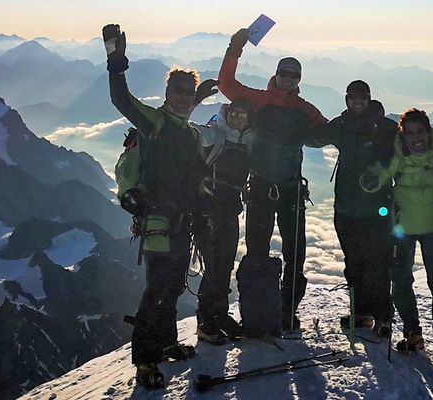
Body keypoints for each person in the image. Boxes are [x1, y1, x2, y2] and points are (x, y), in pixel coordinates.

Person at [103, 23, 213, 389]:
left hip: (183, 222)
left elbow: (195, 177)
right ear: (167, 93)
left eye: (189, 92)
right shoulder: (155, 123)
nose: (184, 97)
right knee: (157, 288)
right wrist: (116, 62)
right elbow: (122, 101)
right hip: (157, 220)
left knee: (175, 285)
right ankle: (145, 360)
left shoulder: (192, 132)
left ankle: (165, 342)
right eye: (178, 91)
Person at [217, 28, 326, 333]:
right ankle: (257, 312)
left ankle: (285, 313)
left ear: (298, 80)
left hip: (287, 190)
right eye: (284, 73)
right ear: (276, 75)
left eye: (293, 75)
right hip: (263, 189)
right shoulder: (260, 100)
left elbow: (330, 133)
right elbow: (227, 85)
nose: (288, 78)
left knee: (294, 254)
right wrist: (234, 48)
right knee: (257, 253)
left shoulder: (305, 110)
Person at [303, 80, 396, 338]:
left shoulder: (385, 128)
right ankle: (362, 314)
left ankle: (383, 316)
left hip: (376, 210)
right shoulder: (341, 126)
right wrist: (290, 122)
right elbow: (314, 138)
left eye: (362, 97)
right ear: (347, 99)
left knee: (377, 265)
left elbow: (406, 153)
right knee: (354, 264)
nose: (358, 102)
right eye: (353, 97)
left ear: (369, 99)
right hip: (345, 209)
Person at [361, 108, 433, 365]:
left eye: (420, 131)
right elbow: (383, 172)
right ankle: (414, 333)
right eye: (409, 132)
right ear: (402, 134)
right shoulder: (398, 153)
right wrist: (372, 181)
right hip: (405, 229)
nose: (415, 137)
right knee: (402, 282)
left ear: (429, 131)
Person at [192, 99, 254, 344]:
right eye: (235, 113)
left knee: (225, 264)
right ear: (227, 114)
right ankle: (205, 320)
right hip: (207, 210)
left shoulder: (248, 138)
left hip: (228, 210)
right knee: (214, 265)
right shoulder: (215, 134)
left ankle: (218, 314)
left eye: (243, 114)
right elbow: (190, 131)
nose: (238, 118)